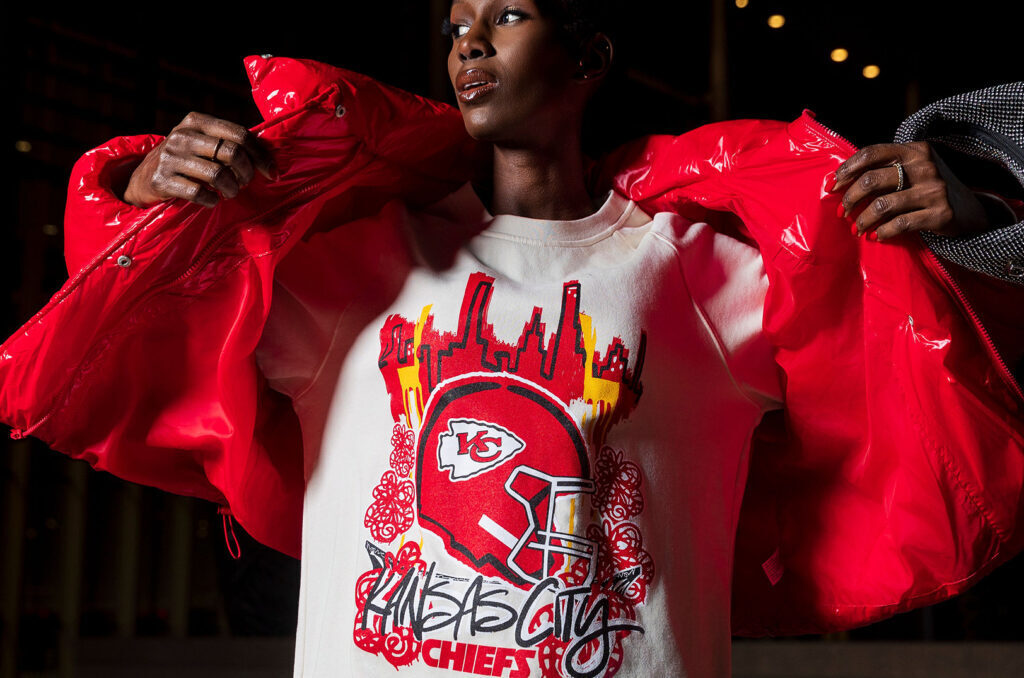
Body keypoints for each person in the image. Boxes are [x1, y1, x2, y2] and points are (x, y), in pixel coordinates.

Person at [3, 2, 1023, 677]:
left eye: (507, 17)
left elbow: (929, 366)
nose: (470, 46)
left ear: (588, 57)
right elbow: (140, 331)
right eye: (456, 26)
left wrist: (978, 215)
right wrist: (141, 194)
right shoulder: (357, 265)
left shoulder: (702, 275)